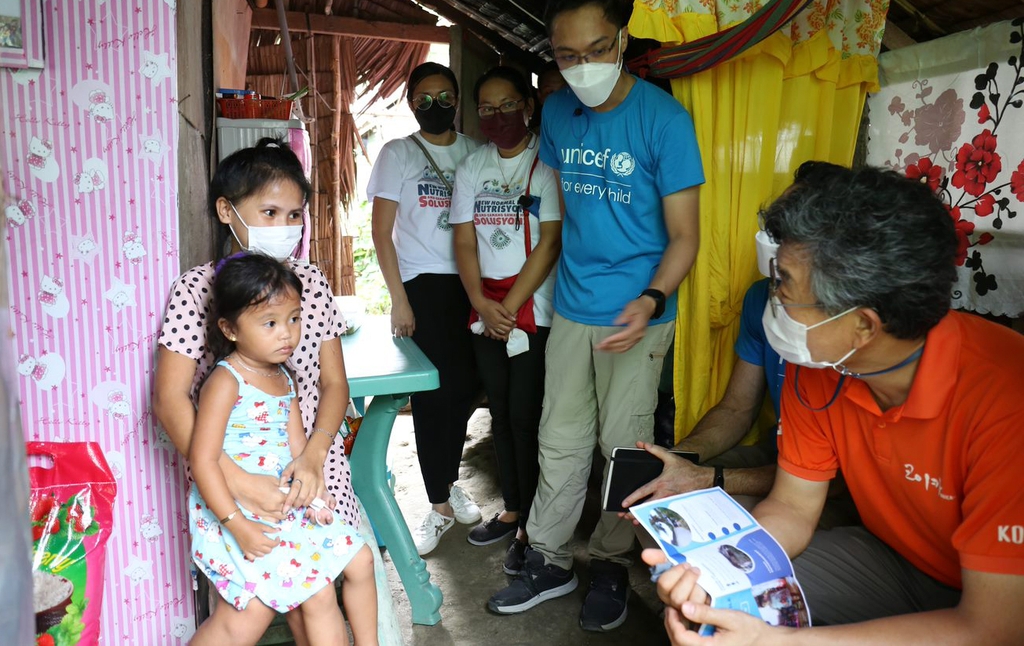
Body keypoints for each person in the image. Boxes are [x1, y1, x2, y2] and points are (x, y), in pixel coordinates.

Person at [648, 165, 1024, 645]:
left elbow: (994, 627)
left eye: (784, 284)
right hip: (889, 559)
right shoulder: (823, 363)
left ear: (863, 326)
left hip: (992, 602)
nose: (774, 296)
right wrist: (715, 572)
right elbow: (792, 507)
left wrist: (776, 641)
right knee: (709, 609)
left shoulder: (1006, 400)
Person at [487, 0, 704, 632]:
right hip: (575, 304)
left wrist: (652, 300)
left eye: (598, 50)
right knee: (558, 437)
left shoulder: (664, 120)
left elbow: (685, 236)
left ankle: (609, 560)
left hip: (638, 313)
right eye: (567, 56)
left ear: (623, 40)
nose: (584, 67)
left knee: (623, 446)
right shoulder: (556, 112)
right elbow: (560, 213)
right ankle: (552, 558)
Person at [153, 139, 374, 645]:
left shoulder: (311, 283)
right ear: (227, 211)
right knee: (292, 599)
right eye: (269, 211)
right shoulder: (198, 288)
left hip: (309, 454)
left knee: (343, 570)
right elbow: (170, 400)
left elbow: (334, 384)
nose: (284, 227)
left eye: (294, 214)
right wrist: (236, 481)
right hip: (230, 466)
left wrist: (316, 456)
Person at [621, 162, 849, 509]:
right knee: (660, 499)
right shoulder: (760, 298)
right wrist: (678, 461)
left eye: (789, 224)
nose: (774, 234)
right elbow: (737, 408)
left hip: (825, 484)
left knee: (713, 514)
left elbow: (833, 478)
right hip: (782, 456)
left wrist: (708, 479)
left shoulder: (849, 325)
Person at [187, 254, 377, 646]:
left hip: (283, 501)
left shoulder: (284, 377)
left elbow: (299, 453)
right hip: (236, 510)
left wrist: (316, 493)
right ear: (230, 329)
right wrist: (236, 525)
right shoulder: (226, 381)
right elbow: (202, 460)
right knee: (305, 595)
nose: (287, 333)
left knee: (360, 560)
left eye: (294, 318)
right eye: (270, 323)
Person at [451, 66, 562, 575]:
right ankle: (513, 509)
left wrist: (511, 306)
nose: (498, 117)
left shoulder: (545, 165)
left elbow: (549, 242)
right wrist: (480, 299)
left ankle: (534, 526)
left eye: (507, 105)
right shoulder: (474, 166)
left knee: (525, 416)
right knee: (499, 412)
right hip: (485, 313)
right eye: (488, 109)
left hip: (532, 312)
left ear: (529, 105)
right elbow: (465, 238)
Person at [367, 62, 482, 556]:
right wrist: (399, 299)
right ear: (411, 103)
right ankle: (437, 505)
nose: (435, 105)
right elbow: (381, 232)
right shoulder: (398, 154)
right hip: (424, 284)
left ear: (458, 99)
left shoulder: (476, 152)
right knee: (435, 396)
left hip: (474, 281)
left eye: (445, 96)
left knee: (467, 391)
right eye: (424, 98)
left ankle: (448, 482)